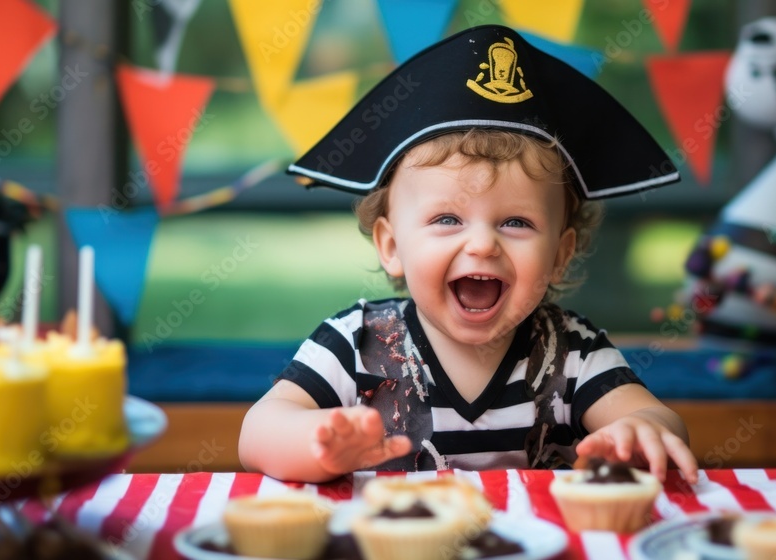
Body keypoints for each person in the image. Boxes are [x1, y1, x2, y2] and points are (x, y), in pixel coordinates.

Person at [238, 24, 699, 484]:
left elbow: (651, 415)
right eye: (447, 219)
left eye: (516, 222)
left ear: (561, 254)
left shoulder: (572, 353)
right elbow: (258, 433)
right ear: (392, 247)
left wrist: (643, 431)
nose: (481, 244)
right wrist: (315, 441)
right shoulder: (356, 346)